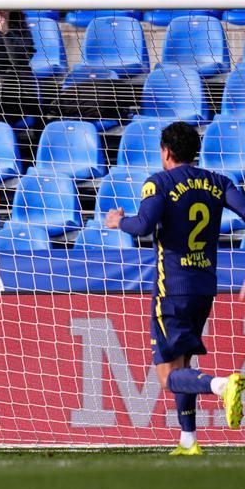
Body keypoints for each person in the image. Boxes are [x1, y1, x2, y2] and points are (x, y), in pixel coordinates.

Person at [104, 121, 245, 455]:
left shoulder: (159, 182)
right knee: (183, 364)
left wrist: (117, 221)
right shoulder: (219, 182)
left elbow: (143, 226)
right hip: (205, 287)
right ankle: (188, 439)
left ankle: (222, 385)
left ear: (165, 152)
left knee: (168, 376)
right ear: (195, 152)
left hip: (172, 288)